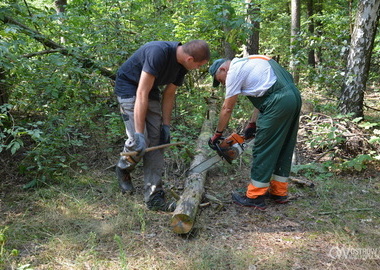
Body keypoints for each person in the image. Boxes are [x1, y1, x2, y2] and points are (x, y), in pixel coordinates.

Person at [114, 40, 210, 212]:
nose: (197, 68)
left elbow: (169, 94)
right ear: (189, 59)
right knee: (138, 142)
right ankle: (123, 168)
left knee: (156, 142)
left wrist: (166, 125)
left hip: (150, 90)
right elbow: (141, 92)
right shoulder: (158, 52)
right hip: (129, 87)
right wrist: (139, 133)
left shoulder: (182, 66)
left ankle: (154, 197)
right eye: (198, 65)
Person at [208, 55, 302, 210]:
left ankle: (255, 196)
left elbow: (227, 108)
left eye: (221, 80)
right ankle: (279, 191)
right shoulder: (253, 61)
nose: (223, 84)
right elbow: (263, 93)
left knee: (263, 148)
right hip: (293, 97)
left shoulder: (234, 71)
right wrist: (252, 123)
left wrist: (217, 134)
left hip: (277, 102)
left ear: (223, 69)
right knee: (284, 145)